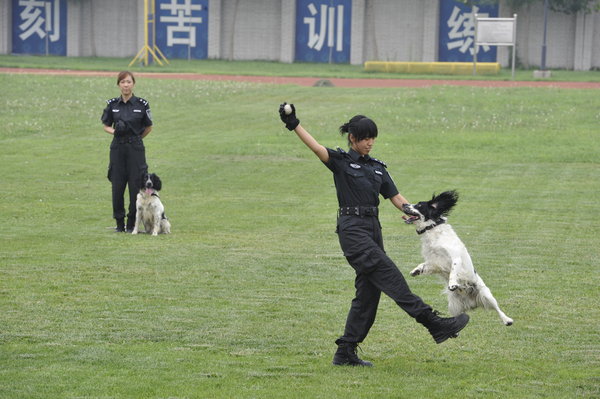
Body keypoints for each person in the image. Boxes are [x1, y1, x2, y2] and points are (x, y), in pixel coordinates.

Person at [278, 103, 469, 367]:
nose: (370, 142)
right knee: (389, 276)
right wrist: (294, 124)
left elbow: (396, 198)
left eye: (373, 138)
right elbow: (316, 148)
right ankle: (433, 323)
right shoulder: (341, 163)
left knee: (369, 293)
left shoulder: (378, 168)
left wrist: (421, 214)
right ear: (352, 138)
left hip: (372, 230)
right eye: (365, 138)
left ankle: (345, 351)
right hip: (352, 230)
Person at [101, 71, 153, 232]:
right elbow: (106, 125)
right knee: (117, 185)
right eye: (123, 82)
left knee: (135, 185)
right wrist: (115, 132)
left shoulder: (142, 104)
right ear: (118, 85)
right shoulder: (112, 105)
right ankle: (119, 223)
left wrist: (136, 138)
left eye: (129, 82)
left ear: (133, 84)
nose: (126, 85)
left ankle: (132, 223)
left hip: (135, 149)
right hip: (117, 147)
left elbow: (149, 127)